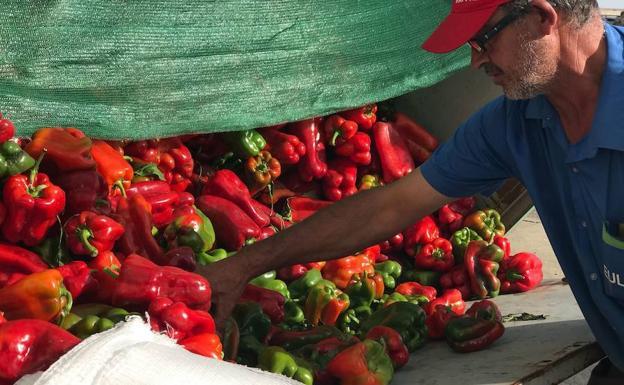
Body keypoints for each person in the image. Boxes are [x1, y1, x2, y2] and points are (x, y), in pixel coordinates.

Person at [199, 0, 624, 383]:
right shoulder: (514, 123)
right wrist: (244, 266)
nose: (476, 62)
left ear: (541, 18)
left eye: (483, 40)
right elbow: (389, 207)